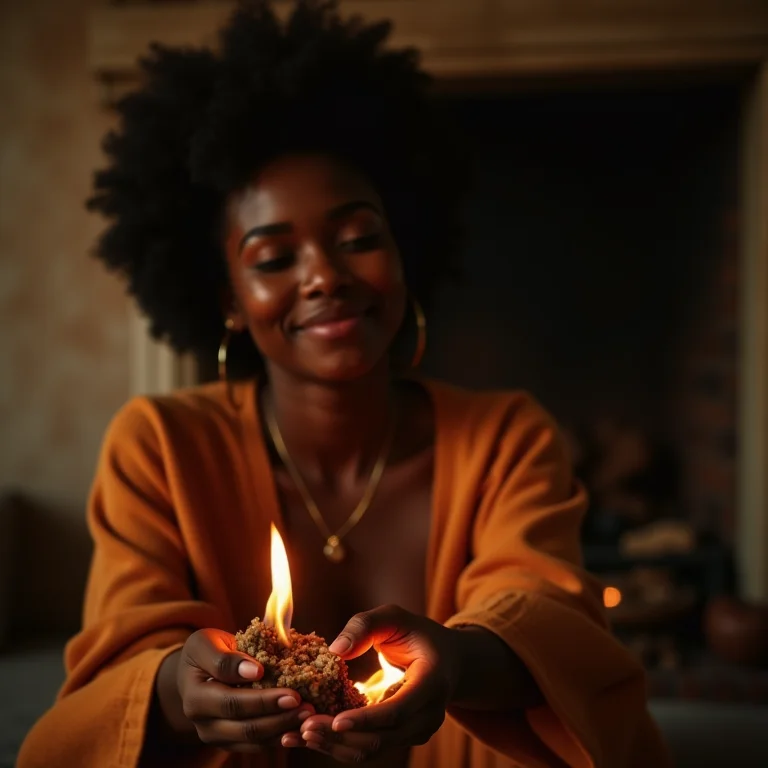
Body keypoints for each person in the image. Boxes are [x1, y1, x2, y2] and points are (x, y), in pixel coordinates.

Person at [18, 1, 671, 766]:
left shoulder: (506, 437)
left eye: (358, 239)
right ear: (228, 300)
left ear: (407, 252)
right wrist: (178, 689)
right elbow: (120, 669)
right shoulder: (157, 447)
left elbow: (553, 621)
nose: (326, 276)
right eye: (272, 258)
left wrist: (458, 661)